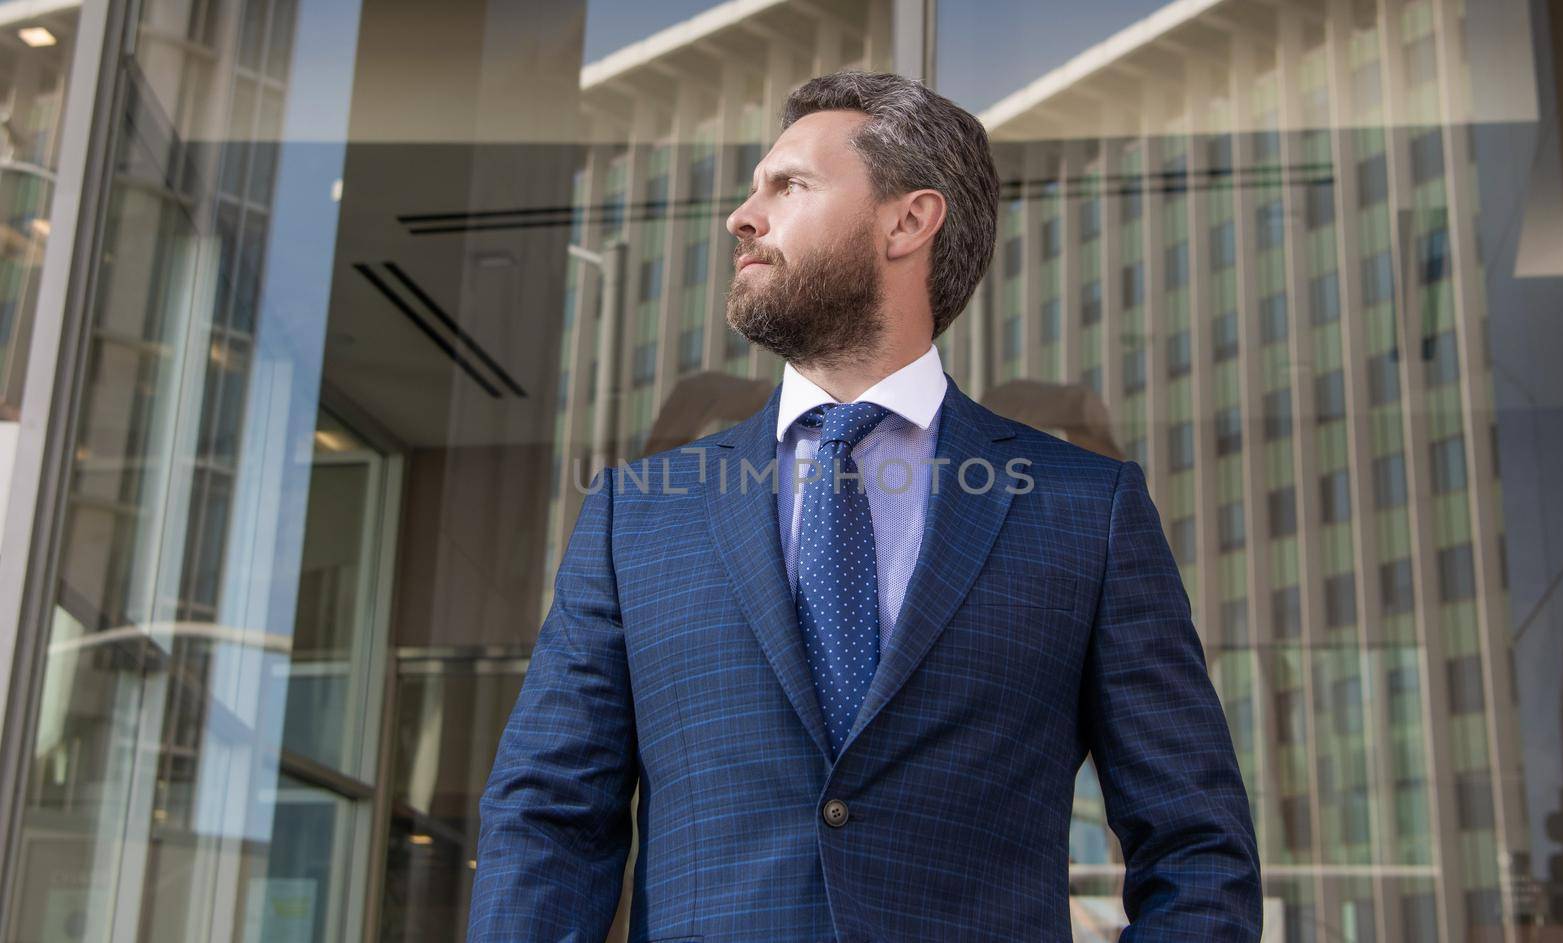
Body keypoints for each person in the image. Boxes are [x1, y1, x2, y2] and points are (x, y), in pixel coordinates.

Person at [468, 70, 1261, 942]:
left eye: (789, 185)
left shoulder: (1086, 510)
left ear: (908, 221)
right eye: (753, 187)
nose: (742, 214)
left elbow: (1196, 846)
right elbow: (548, 820)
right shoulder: (638, 514)